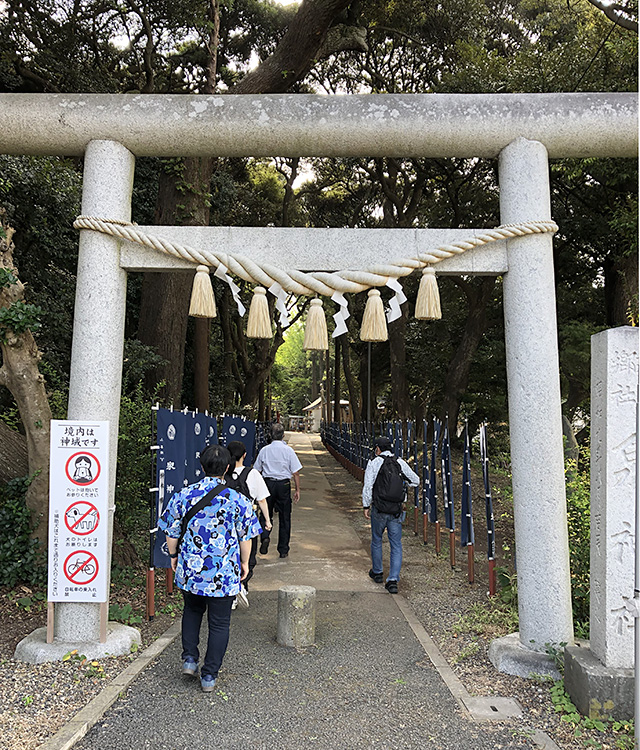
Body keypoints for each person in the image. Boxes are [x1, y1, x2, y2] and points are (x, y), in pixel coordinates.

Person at [157, 443, 261, 692]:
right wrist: (245, 563)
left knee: (192, 612)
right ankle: (209, 675)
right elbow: (246, 538)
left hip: (191, 571)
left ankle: (189, 660)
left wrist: (173, 556)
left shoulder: (182, 496)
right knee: (219, 623)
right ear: (227, 467)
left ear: (201, 466)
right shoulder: (238, 500)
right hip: (223, 573)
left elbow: (171, 533)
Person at [362, 437, 419, 594]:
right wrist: (403, 487)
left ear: (377, 449)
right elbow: (416, 480)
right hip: (395, 510)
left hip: (379, 509)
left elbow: (368, 486)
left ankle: (378, 572)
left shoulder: (374, 463)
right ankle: (393, 580)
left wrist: (366, 505)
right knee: (396, 544)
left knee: (377, 540)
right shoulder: (399, 462)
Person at [225, 439, 272, 607]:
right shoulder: (252, 474)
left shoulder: (222, 473)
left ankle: (230, 592)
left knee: (228, 555)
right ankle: (242, 585)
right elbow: (262, 500)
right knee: (248, 557)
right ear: (244, 455)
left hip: (224, 524)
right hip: (247, 523)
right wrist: (267, 520)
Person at [253, 422, 302, 559]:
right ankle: (283, 549)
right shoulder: (288, 451)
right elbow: (296, 472)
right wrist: (297, 489)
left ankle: (265, 537)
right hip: (284, 485)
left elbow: (257, 470)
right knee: (285, 517)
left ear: (270, 435)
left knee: (265, 513)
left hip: (267, 483)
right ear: (283, 435)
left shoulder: (264, 450)